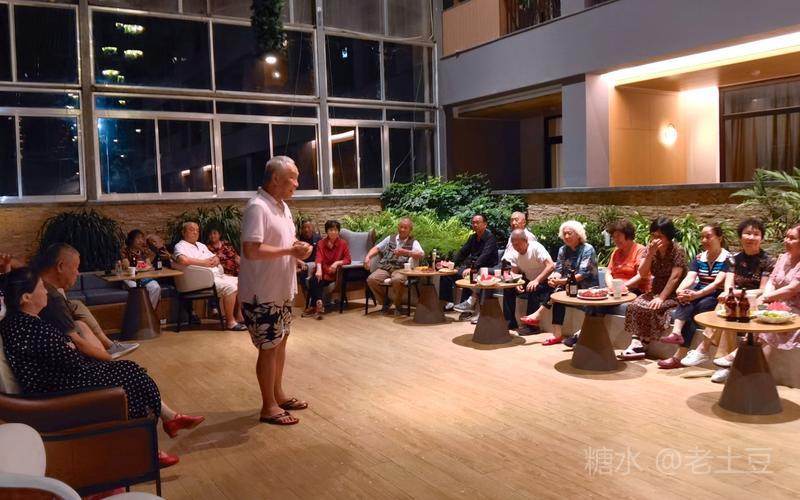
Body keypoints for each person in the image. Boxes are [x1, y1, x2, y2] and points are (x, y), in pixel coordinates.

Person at [0, 267, 204, 469]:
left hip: (60, 381)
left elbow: (62, 354)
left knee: (129, 371)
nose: (45, 291)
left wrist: (69, 347)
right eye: (41, 287)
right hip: (56, 392)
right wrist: (69, 347)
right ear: (26, 297)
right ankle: (144, 448)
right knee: (129, 374)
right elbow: (70, 358)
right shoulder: (26, 327)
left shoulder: (21, 322)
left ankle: (151, 439)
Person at [240, 156, 312, 426]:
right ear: (275, 179)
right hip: (262, 292)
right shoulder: (258, 207)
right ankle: (268, 406)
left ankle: (278, 395)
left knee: (280, 343)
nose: (297, 184)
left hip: (281, 289)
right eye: (293, 178)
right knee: (268, 348)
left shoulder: (282, 207)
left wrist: (298, 249)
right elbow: (251, 249)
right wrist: (289, 251)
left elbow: (284, 242)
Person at [681, 219, 773, 382]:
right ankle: (723, 365)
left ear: (762, 238)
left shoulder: (768, 260)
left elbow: (763, 289)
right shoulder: (733, 259)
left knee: (730, 306)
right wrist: (730, 293)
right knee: (726, 305)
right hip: (735, 300)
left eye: (756, 234)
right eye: (747, 233)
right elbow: (728, 285)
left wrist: (738, 293)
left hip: (755, 300)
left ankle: (704, 349)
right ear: (740, 237)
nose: (751, 237)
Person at [36, 243, 139, 360]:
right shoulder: (52, 298)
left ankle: (109, 347)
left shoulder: (39, 285)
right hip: (65, 361)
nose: (77, 273)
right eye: (76, 267)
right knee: (81, 325)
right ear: (60, 266)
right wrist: (109, 361)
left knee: (80, 319)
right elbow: (78, 342)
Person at [657, 223, 730, 369]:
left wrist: (696, 295)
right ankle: (676, 333)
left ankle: (678, 356)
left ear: (719, 238)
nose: (704, 240)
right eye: (702, 237)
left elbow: (717, 283)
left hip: (715, 295)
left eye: (708, 237)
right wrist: (681, 291)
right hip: (699, 291)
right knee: (684, 300)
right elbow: (690, 278)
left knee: (697, 308)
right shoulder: (699, 258)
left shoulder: (728, 258)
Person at [520, 220, 598, 346]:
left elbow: (582, 275)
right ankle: (555, 333)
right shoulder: (563, 250)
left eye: (569, 233)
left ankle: (541, 317)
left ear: (578, 234)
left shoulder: (587, 249)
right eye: (564, 234)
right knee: (557, 293)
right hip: (567, 286)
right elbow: (558, 270)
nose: (566, 236)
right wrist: (553, 278)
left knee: (557, 290)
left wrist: (559, 281)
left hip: (586, 287)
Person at [620, 217, 687, 360]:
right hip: (655, 290)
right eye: (653, 235)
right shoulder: (650, 249)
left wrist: (662, 298)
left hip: (673, 293)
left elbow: (675, 278)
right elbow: (642, 272)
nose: (656, 239)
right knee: (634, 305)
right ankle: (636, 342)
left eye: (660, 236)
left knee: (653, 307)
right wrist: (650, 253)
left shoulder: (677, 250)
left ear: (668, 236)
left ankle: (643, 343)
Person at [173, 222, 246, 331]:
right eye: (191, 230)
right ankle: (230, 322)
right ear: (183, 232)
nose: (195, 232)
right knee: (230, 287)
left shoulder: (201, 245)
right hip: (198, 280)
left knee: (242, 282)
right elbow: (183, 260)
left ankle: (239, 316)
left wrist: (216, 260)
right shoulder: (180, 246)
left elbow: (214, 257)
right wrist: (204, 263)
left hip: (215, 276)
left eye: (197, 230)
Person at [439, 214, 498, 321]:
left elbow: (485, 256)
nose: (475, 225)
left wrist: (473, 268)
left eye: (478, 222)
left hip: (485, 270)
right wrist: (451, 264)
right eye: (473, 222)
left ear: (485, 224)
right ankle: (449, 303)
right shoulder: (473, 238)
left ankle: (467, 310)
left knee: (470, 275)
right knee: (447, 273)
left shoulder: (490, 238)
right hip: (472, 268)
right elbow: (463, 252)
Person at [364, 218, 425, 315]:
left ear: (410, 230)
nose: (402, 229)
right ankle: (385, 301)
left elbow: (421, 254)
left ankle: (398, 304)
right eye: (401, 227)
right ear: (398, 227)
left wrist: (406, 252)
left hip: (401, 269)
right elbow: (377, 248)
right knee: (371, 279)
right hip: (386, 267)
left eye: (405, 228)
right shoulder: (390, 238)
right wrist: (368, 257)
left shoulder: (413, 242)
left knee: (397, 280)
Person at [502, 229, 554, 335]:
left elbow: (551, 266)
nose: (516, 247)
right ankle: (510, 323)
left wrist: (537, 280)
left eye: (518, 244)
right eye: (514, 245)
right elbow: (514, 271)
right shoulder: (514, 252)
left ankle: (533, 327)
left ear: (526, 240)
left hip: (546, 281)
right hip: (530, 280)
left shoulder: (536, 247)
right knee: (508, 288)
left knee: (532, 287)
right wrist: (517, 283)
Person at [757, 224, 800, 351]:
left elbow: (792, 289)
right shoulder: (783, 257)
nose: (786, 240)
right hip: (779, 304)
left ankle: (739, 357)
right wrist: (766, 298)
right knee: (757, 313)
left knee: (771, 321)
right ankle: (744, 357)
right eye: (786, 237)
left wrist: (765, 298)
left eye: (792, 238)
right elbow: (772, 280)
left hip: (796, 307)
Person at [303, 220, 351, 319]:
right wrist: (319, 269)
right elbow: (318, 257)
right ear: (327, 231)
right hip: (322, 271)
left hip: (333, 273)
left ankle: (314, 305)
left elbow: (348, 259)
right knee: (315, 279)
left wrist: (337, 263)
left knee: (313, 281)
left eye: (335, 230)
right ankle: (319, 303)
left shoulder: (343, 243)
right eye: (331, 230)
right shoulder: (321, 243)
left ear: (338, 231)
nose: (333, 232)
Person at [604, 220, 649, 297]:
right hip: (617, 291)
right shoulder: (616, 251)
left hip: (636, 291)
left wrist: (622, 286)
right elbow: (609, 272)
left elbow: (641, 275)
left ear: (628, 236)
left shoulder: (640, 250)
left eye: (618, 236)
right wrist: (611, 286)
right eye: (613, 237)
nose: (615, 240)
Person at [121, 229, 162, 310]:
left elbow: (149, 265)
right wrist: (142, 266)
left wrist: (141, 266)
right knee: (136, 288)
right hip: (130, 278)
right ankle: (139, 313)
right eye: (138, 238)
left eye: (142, 238)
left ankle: (148, 312)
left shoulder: (143, 251)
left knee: (155, 287)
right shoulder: (125, 251)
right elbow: (127, 266)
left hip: (143, 277)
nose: (141, 241)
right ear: (131, 240)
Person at [296, 219, 322, 301]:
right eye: (304, 227)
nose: (306, 229)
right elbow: (293, 255)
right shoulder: (298, 239)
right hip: (301, 264)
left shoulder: (318, 238)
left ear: (312, 228)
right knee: (302, 272)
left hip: (315, 264)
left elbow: (321, 254)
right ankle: (307, 300)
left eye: (308, 227)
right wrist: (301, 263)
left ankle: (316, 299)